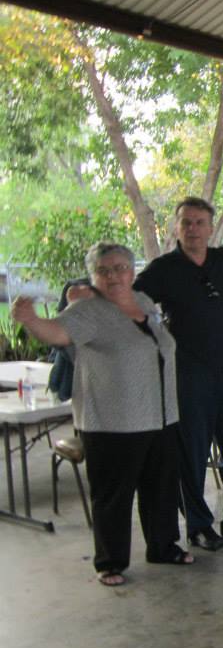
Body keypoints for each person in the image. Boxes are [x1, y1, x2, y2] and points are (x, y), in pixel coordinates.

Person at [13, 244, 192, 586]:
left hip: (160, 415)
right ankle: (110, 562)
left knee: (161, 488)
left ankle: (163, 547)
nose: (113, 276)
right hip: (113, 421)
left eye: (120, 268)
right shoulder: (87, 310)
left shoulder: (142, 302)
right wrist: (31, 320)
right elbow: (58, 332)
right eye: (104, 270)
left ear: (132, 271)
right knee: (114, 496)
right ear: (93, 276)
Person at [134, 197, 223, 549]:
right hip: (189, 374)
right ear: (176, 227)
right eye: (186, 222)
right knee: (192, 454)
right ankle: (199, 526)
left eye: (199, 222)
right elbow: (130, 300)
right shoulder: (163, 269)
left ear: (210, 227)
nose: (193, 229)